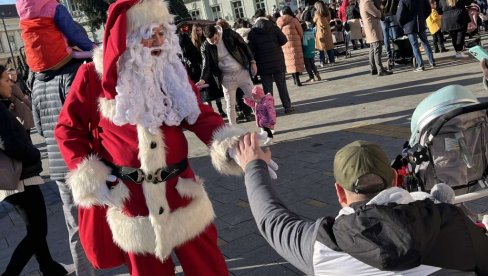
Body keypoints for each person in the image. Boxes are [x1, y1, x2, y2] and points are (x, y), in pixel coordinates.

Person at [55, 0, 242, 274]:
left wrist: (230, 143)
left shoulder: (170, 68)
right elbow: (67, 130)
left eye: (161, 33)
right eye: (149, 34)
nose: (158, 41)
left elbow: (197, 113)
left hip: (181, 192)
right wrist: (89, 174)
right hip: (133, 201)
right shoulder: (93, 76)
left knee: (209, 268)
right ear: (127, 38)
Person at [235, 135, 488, 275]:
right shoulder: (449, 222)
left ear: (339, 193)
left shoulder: (320, 246)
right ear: (396, 180)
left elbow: (271, 219)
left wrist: (253, 165)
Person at [16, 0, 96, 275]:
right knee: (105, 215)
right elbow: (87, 119)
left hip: (59, 166)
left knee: (75, 224)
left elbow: (38, 127)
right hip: (86, 161)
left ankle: (85, 272)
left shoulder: (35, 81)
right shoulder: (75, 72)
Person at [0, 65, 69, 276]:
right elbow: (9, 143)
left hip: (16, 179)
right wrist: (35, 154)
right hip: (21, 178)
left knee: (34, 229)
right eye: (5, 80)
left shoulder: (5, 105)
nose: (10, 82)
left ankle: (48, 266)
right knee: (38, 231)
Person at [198, 24, 257, 125]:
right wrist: (202, 79)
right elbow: (206, 64)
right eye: (211, 41)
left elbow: (244, 46)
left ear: (217, 33)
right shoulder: (205, 46)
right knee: (230, 105)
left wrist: (252, 61)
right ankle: (233, 130)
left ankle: (264, 125)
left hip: (242, 72)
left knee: (253, 100)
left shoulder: (229, 34)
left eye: (215, 39)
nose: (214, 42)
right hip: (227, 77)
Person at [248, 9, 295, 114]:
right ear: (265, 16)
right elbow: (283, 40)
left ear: (255, 18)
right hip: (277, 61)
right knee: (282, 85)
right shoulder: (273, 26)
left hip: (263, 64)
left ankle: (270, 109)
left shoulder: (253, 31)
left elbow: (250, 49)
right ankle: (287, 107)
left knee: (267, 89)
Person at [182, 23, 226, 118]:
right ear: (194, 32)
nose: (199, 32)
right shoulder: (192, 43)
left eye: (200, 30)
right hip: (200, 71)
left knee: (216, 91)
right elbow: (191, 57)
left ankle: (221, 110)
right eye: (197, 30)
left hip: (210, 69)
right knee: (206, 94)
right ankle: (211, 111)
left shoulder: (206, 40)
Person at [397, 0, 436, 71]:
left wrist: (402, 25)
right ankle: (432, 62)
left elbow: (399, 15)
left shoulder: (403, 1)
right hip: (420, 23)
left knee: (415, 46)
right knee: (425, 42)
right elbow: (428, 9)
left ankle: (421, 65)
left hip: (409, 25)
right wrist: (423, 18)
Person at [360, 0, 393, 76]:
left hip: (370, 27)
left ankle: (373, 68)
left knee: (372, 48)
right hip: (373, 28)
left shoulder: (362, 2)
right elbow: (377, 14)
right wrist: (379, 9)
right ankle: (380, 69)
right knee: (377, 48)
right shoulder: (367, 2)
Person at [277, 6, 306, 87]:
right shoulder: (294, 20)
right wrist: (299, 38)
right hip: (295, 42)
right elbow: (300, 32)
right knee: (296, 60)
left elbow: (278, 33)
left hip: (285, 44)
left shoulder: (279, 21)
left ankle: (294, 79)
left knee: (289, 61)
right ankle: (297, 79)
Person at [7, 68, 34, 138]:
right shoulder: (12, 85)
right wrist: (32, 107)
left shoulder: (13, 84)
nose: (14, 76)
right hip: (21, 112)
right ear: (8, 76)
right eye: (12, 75)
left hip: (19, 112)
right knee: (26, 135)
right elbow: (23, 98)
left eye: (15, 74)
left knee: (25, 135)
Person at [314, 1, 336, 67]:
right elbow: (329, 20)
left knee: (321, 48)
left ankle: (322, 62)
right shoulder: (327, 11)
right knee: (329, 47)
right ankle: (332, 60)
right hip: (328, 31)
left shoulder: (317, 13)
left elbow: (314, 20)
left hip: (321, 32)